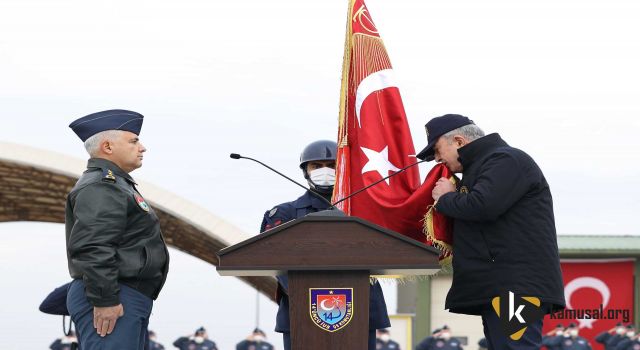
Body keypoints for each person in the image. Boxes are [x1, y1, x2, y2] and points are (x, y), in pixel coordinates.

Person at [418, 114, 565, 350]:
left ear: (458, 141)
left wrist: (446, 198)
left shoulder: (505, 160)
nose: (436, 159)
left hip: (515, 288)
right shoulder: (486, 165)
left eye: (437, 150)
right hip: (502, 286)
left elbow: (483, 205)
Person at [260, 139, 390, 350]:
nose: (325, 171)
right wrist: (306, 291)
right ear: (305, 171)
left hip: (360, 311)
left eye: (332, 166)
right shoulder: (285, 213)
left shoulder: (366, 210)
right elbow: (273, 258)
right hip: (302, 313)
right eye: (317, 166)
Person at [66, 109, 170, 350]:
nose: (142, 147)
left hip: (125, 293)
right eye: (134, 141)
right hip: (113, 294)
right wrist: (105, 299)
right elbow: (94, 245)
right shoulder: (104, 185)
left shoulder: (117, 184)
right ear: (108, 147)